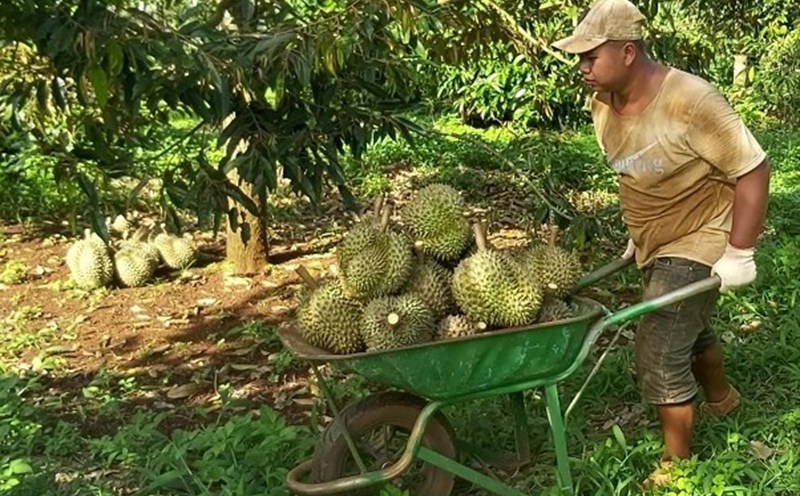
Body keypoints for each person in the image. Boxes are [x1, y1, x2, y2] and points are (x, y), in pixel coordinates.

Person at [551, 0, 771, 488]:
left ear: (628, 52)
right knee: (684, 326)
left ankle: (679, 466)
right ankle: (721, 400)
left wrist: (739, 251)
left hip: (703, 235)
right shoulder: (602, 102)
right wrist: (638, 232)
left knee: (658, 346)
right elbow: (635, 172)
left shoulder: (692, 102)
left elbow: (753, 169)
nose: (582, 67)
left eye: (591, 56)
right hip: (655, 239)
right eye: (579, 58)